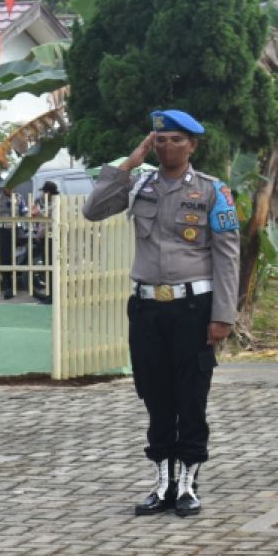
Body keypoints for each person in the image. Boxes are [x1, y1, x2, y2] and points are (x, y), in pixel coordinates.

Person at [83, 109, 240, 518]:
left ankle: (188, 485)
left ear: (192, 145)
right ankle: (163, 483)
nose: (167, 146)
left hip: (193, 307)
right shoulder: (138, 185)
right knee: (155, 396)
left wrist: (223, 314)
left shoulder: (212, 191)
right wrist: (127, 165)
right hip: (147, 308)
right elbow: (93, 210)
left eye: (175, 139)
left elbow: (227, 255)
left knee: (190, 397)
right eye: (160, 140)